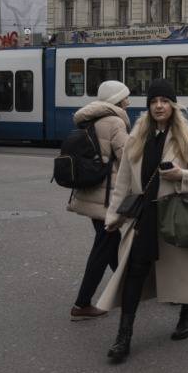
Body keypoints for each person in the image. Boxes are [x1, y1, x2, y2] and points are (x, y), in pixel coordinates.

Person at [98, 78, 188, 363]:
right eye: (153, 102)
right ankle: (123, 337)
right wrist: (113, 216)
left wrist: (181, 176)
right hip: (146, 216)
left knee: (181, 268)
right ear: (148, 107)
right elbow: (123, 180)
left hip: (176, 212)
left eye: (164, 101)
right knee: (134, 270)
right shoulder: (137, 137)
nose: (159, 106)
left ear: (173, 105)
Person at [69, 80, 131, 321]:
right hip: (106, 198)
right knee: (103, 247)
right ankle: (81, 304)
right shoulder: (115, 121)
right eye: (125, 97)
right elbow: (127, 159)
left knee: (109, 242)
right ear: (117, 99)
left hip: (90, 192)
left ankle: (129, 287)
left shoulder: (89, 119)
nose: (128, 101)